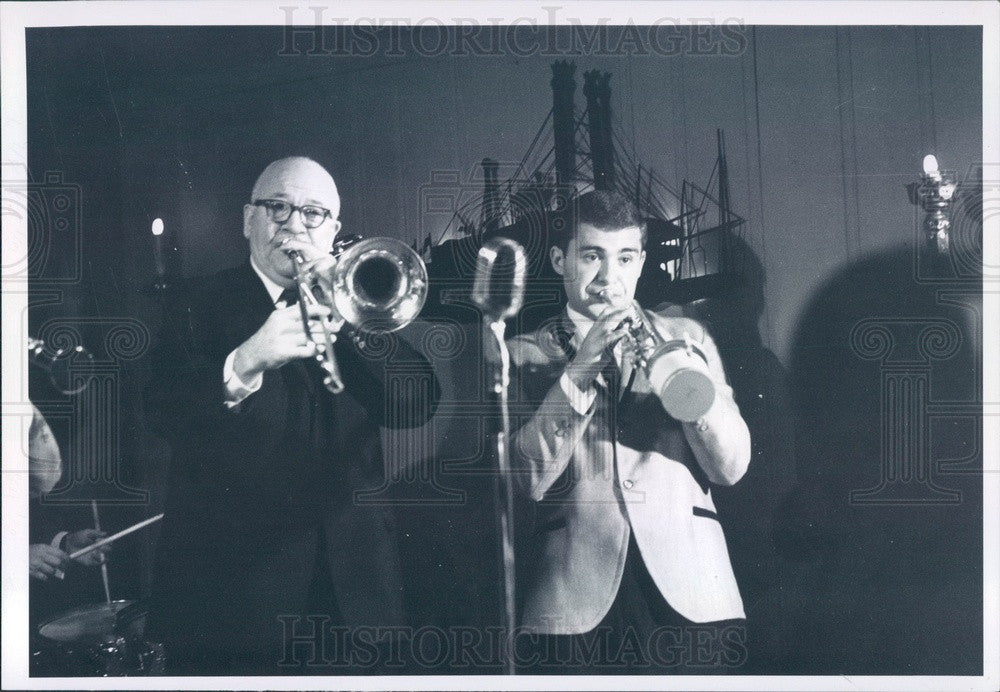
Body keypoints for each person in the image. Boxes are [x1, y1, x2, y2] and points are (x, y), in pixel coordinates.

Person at [145, 157, 438, 674]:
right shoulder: (195, 303)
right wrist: (246, 360)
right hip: (234, 601)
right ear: (247, 220)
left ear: (334, 232)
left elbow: (416, 405)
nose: (294, 225)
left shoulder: (358, 305)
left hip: (355, 598)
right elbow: (160, 412)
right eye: (277, 207)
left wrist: (355, 320)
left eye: (313, 213)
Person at [508, 190, 751, 673]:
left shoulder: (690, 337)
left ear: (640, 263)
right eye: (591, 256)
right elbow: (523, 480)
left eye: (623, 258)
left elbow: (731, 468)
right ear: (560, 260)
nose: (608, 278)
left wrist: (688, 390)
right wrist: (577, 373)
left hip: (694, 594)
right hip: (571, 603)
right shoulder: (518, 353)